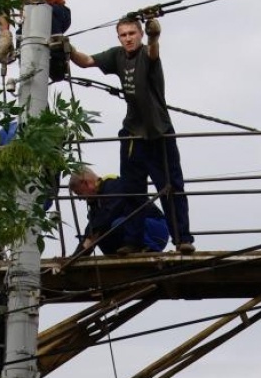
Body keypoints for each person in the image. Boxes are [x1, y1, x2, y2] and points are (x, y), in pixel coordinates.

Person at [68, 17, 196, 254]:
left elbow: (154, 52)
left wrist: (154, 35)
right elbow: (85, 61)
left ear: (139, 34)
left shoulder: (147, 54)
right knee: (132, 189)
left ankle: (183, 239)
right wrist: (68, 49)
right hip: (132, 134)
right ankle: (134, 241)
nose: (128, 38)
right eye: (123, 35)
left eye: (132, 34)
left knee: (171, 186)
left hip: (158, 132)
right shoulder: (117, 56)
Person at [69, 168, 169, 256]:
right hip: (135, 232)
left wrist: (91, 237)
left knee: (116, 224)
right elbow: (91, 231)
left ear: (86, 183)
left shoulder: (114, 185)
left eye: (79, 193)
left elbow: (110, 214)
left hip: (156, 229)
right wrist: (76, 255)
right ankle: (115, 256)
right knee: (100, 235)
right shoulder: (96, 204)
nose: (80, 198)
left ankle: (150, 251)